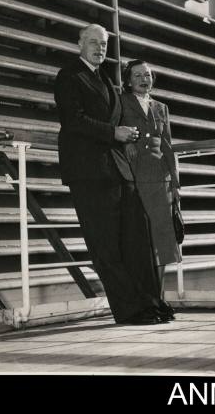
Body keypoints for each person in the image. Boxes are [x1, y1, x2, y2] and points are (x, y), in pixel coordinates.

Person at [54, 24, 168, 325]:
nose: (99, 48)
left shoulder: (105, 78)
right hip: (89, 173)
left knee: (137, 240)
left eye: (103, 44)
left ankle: (151, 303)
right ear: (80, 44)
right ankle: (130, 310)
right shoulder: (69, 76)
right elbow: (73, 120)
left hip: (118, 170)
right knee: (105, 246)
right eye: (93, 42)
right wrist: (113, 132)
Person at [120, 60, 182, 320]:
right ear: (128, 80)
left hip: (161, 179)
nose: (144, 79)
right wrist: (126, 147)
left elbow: (167, 145)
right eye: (137, 75)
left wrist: (176, 182)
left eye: (147, 74)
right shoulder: (121, 101)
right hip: (134, 176)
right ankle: (145, 300)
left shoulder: (161, 108)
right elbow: (116, 134)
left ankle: (159, 298)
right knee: (142, 242)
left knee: (164, 241)